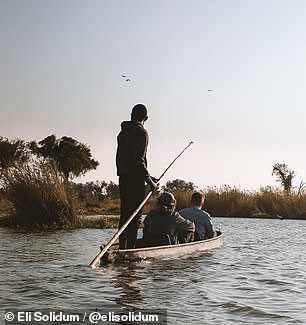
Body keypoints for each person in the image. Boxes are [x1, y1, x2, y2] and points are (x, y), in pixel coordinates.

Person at [116, 103, 158, 249]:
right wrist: (150, 182)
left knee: (124, 215)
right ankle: (130, 252)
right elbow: (138, 162)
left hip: (123, 178)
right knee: (134, 217)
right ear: (145, 118)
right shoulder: (142, 132)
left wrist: (149, 177)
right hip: (135, 181)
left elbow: (129, 161)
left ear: (131, 115)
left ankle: (122, 247)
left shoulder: (122, 133)